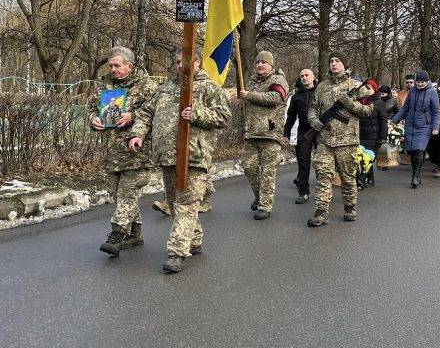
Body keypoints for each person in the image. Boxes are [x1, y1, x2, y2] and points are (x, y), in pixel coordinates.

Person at [127, 49, 231, 273]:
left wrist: (197, 114)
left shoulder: (208, 87)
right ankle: (193, 240)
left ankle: (176, 252)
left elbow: (224, 116)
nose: (180, 67)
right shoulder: (165, 88)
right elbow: (146, 113)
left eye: (185, 62)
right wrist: (137, 133)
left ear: (197, 63)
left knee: (186, 204)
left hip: (194, 156)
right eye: (176, 62)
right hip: (167, 156)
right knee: (177, 203)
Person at [88, 46, 157, 256]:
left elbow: (157, 112)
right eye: (110, 65)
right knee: (120, 197)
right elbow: (91, 108)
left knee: (127, 193)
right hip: (112, 152)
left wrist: (133, 116)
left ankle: (116, 235)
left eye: (117, 65)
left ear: (130, 65)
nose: (113, 69)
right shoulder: (105, 85)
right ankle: (135, 235)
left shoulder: (147, 85)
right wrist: (93, 119)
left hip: (137, 152)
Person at [306, 50, 374, 227]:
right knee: (323, 176)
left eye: (337, 61)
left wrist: (349, 103)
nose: (334, 64)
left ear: (344, 64)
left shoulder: (357, 86)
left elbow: (368, 111)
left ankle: (350, 207)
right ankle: (321, 212)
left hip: (347, 141)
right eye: (331, 61)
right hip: (324, 140)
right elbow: (312, 108)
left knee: (348, 177)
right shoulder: (321, 87)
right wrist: (314, 121)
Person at [239, 50, 289, 220]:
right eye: (257, 62)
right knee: (249, 167)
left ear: (270, 65)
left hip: (270, 133)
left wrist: (250, 96)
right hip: (252, 132)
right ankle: (260, 196)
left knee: (268, 172)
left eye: (263, 62)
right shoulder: (252, 81)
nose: (260, 65)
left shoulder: (277, 79)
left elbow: (276, 97)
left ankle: (265, 206)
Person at [393, 70, 440, 188]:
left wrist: (435, 127)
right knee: (412, 151)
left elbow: (436, 112)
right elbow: (405, 107)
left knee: (419, 150)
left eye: (422, 82)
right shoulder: (412, 91)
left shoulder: (432, 92)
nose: (420, 84)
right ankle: (415, 173)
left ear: (427, 81)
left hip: (424, 126)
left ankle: (416, 176)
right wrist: (395, 119)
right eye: (418, 82)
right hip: (410, 125)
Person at [284, 68, 317, 204]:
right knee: (303, 162)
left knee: (323, 162)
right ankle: (303, 192)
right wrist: (286, 133)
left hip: (321, 131)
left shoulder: (320, 91)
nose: (304, 78)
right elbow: (291, 116)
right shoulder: (297, 95)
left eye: (307, 75)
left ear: (312, 77)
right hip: (303, 132)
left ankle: (324, 190)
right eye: (302, 76)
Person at [357, 80, 388, 187]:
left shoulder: (379, 103)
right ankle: (370, 178)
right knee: (362, 157)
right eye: (365, 87)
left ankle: (362, 179)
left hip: (373, 135)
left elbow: (383, 121)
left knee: (368, 156)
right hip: (361, 134)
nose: (367, 90)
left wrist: (382, 137)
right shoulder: (361, 101)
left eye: (369, 87)